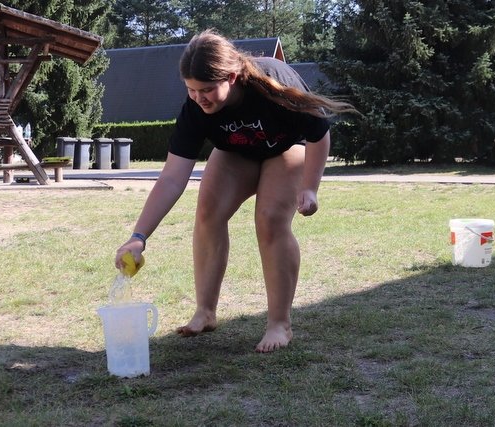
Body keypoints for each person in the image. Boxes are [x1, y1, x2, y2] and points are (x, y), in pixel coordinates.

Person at [115, 30, 356, 353]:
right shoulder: (195, 108)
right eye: (191, 89)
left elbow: (319, 134)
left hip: (286, 150)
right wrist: (139, 236)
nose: (199, 98)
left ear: (231, 77)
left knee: (270, 219)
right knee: (207, 212)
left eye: (206, 90)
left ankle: (279, 324)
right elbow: (172, 177)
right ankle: (205, 311)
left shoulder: (274, 83)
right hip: (236, 153)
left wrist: (310, 188)